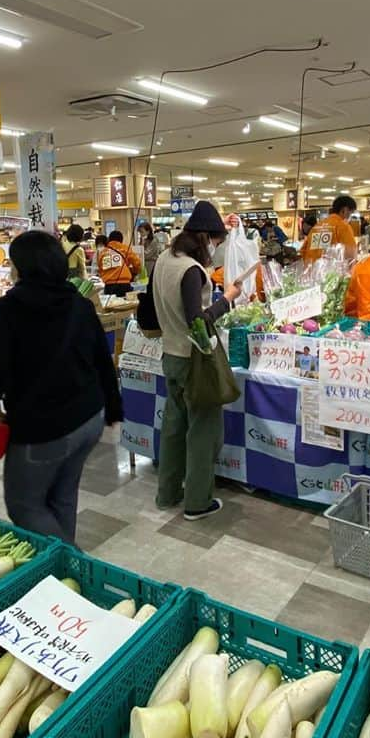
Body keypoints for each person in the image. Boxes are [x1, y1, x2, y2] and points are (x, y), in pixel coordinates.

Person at [0, 230, 122, 542]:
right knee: (63, 496)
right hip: (88, 417)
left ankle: (70, 561)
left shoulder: (10, 309)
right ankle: (58, 571)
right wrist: (114, 408)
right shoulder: (79, 304)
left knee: (25, 505)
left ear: (22, 267)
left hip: (43, 427)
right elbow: (103, 360)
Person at [151, 201, 240, 521]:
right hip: (194, 361)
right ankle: (197, 502)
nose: (216, 248)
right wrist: (227, 300)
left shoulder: (164, 259)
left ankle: (168, 493)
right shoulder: (191, 269)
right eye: (216, 241)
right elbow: (197, 322)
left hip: (170, 355)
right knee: (203, 432)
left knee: (174, 428)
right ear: (204, 237)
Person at [301, 195, 358, 262]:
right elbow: (351, 254)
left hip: (313, 269)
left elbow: (303, 251)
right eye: (350, 212)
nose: (349, 216)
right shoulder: (343, 226)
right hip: (333, 271)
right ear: (344, 210)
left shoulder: (317, 226)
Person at [95, 230, 140, 297]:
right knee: (125, 305)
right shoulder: (125, 249)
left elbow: (100, 268)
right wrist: (134, 272)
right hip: (124, 284)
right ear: (121, 240)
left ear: (109, 240)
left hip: (109, 286)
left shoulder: (103, 253)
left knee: (111, 306)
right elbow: (137, 263)